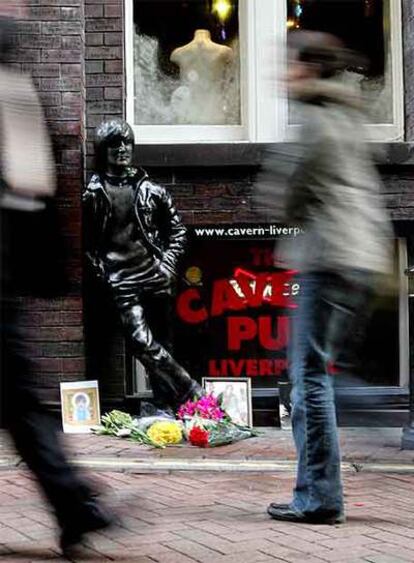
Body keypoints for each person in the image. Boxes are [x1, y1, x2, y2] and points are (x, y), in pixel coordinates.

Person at [266, 31, 393, 524]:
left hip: (330, 259)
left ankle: (318, 497)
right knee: (319, 375)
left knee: (309, 381)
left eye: (289, 64)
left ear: (309, 69)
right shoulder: (346, 114)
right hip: (360, 257)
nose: (282, 73)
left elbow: (285, 198)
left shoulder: (315, 121)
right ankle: (325, 484)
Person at [0, 15, 113, 555]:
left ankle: (75, 505)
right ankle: (75, 506)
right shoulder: (16, 93)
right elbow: (37, 186)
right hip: (4, 277)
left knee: (20, 401)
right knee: (21, 402)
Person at [83, 118, 202, 414]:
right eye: (114, 144)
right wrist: (102, 271)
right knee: (141, 341)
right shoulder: (93, 194)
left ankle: (165, 406)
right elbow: (86, 243)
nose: (122, 149)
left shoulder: (152, 190)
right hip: (120, 279)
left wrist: (167, 266)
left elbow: (177, 231)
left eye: (127, 143)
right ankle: (192, 392)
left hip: (155, 274)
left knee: (161, 344)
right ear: (102, 150)